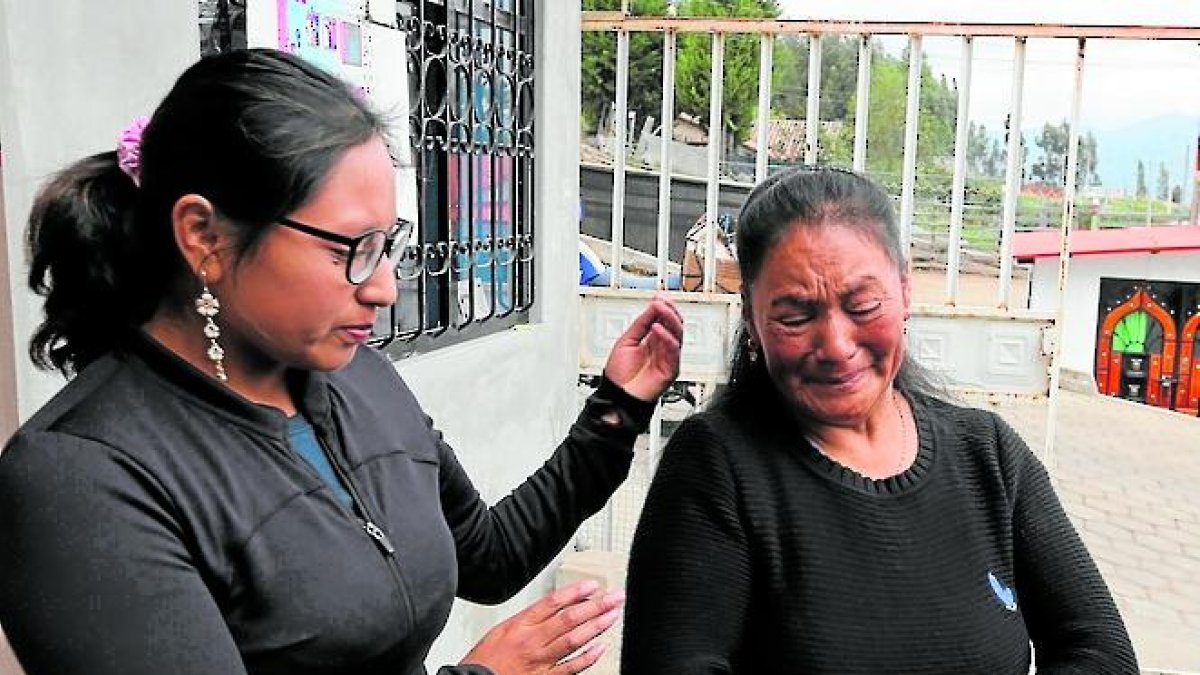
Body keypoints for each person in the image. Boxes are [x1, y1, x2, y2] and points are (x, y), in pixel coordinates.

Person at [0, 49, 684, 675]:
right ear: (203, 235)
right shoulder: (80, 479)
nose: (383, 286)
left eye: (388, 244)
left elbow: (490, 554)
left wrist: (616, 408)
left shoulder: (355, 377)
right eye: (348, 249)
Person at [621, 167, 1137, 674]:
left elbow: (1100, 652)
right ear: (752, 321)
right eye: (795, 317)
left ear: (905, 290)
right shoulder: (716, 467)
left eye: (863, 305)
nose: (836, 345)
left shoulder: (988, 455)